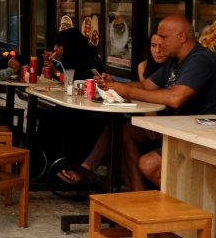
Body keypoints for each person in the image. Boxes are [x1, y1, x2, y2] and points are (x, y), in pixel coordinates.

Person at [100, 14, 216, 190]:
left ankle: (186, 210)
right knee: (126, 132)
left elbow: (175, 98)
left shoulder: (200, 59)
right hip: (179, 131)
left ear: (182, 37)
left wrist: (129, 91)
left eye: (164, 37)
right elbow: (147, 85)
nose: (159, 42)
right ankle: (140, 197)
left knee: (149, 164)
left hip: (205, 136)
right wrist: (115, 85)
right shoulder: (175, 61)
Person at [57, 33, 169, 185]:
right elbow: (145, 92)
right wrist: (114, 85)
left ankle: (88, 169)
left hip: (168, 123)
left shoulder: (174, 68)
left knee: (119, 129)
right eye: (153, 46)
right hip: (152, 120)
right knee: (117, 128)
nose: (157, 51)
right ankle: (90, 169)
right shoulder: (144, 66)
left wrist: (152, 123)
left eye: (161, 46)